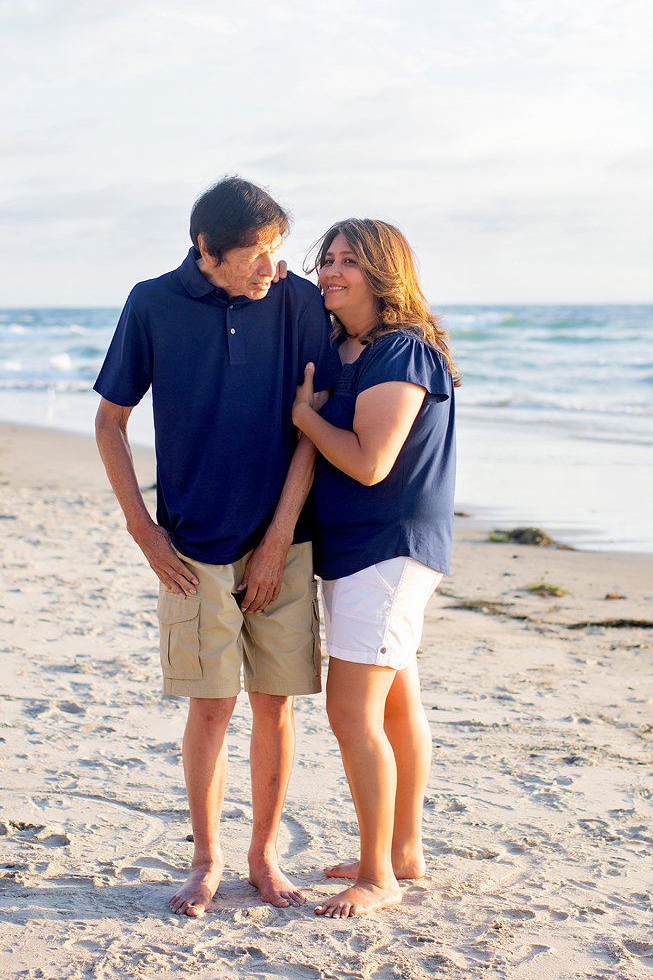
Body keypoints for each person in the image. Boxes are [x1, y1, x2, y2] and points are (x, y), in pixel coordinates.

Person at [93, 177, 341, 917]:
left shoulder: (296, 303)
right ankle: (206, 860)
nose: (274, 266)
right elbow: (110, 423)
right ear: (207, 250)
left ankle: (264, 858)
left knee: (276, 705)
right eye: (257, 254)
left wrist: (273, 544)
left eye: (277, 248)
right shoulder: (152, 303)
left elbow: (311, 428)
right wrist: (143, 529)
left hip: (285, 543)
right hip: (191, 547)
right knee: (209, 708)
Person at [289, 218, 458, 917]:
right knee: (395, 704)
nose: (330, 271)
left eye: (348, 261)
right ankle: (402, 852)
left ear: (383, 272)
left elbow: (369, 460)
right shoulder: (346, 349)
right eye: (326, 258)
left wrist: (306, 418)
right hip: (362, 551)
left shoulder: (402, 351)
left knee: (349, 710)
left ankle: (379, 878)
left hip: (387, 550)